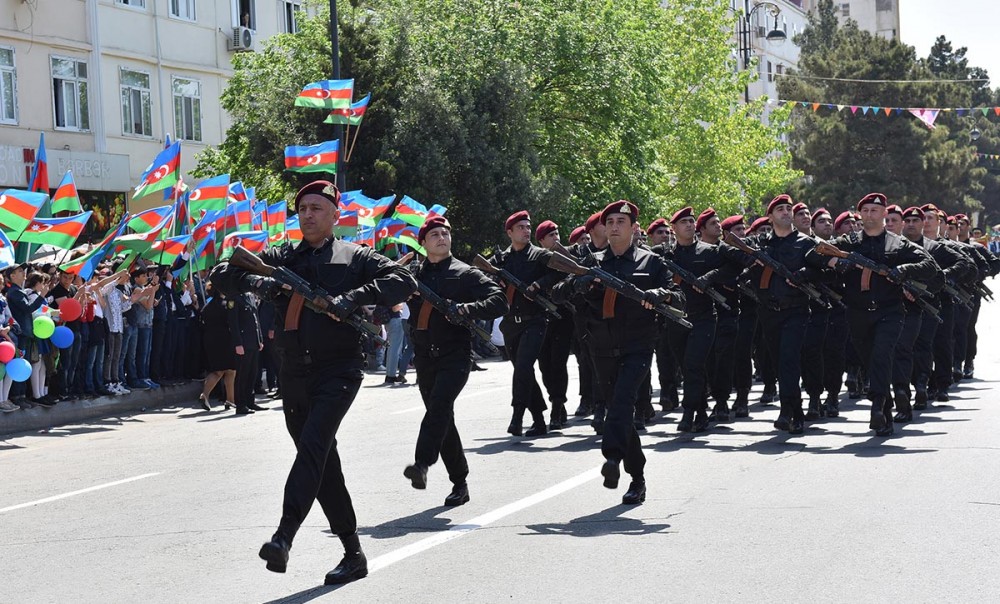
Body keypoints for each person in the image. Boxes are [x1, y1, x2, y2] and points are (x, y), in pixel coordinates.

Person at [212, 180, 416, 585]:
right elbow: (222, 271)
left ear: (335, 215)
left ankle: (283, 537)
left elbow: (403, 281)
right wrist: (256, 282)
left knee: (312, 448)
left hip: (338, 370)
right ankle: (353, 552)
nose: (308, 214)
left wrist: (354, 297)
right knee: (323, 464)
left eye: (317, 208)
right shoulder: (281, 256)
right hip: (293, 373)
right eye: (303, 208)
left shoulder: (354, 256)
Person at [557, 200, 683, 505]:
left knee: (623, 402)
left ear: (634, 228)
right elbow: (558, 293)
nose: (614, 226)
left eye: (621, 222)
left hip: (638, 345)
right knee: (619, 411)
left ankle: (612, 458)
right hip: (600, 346)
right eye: (609, 221)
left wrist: (661, 294)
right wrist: (580, 283)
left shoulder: (650, 263)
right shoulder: (592, 263)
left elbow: (679, 298)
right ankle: (637, 477)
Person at [402, 216, 507, 505]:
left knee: (438, 408)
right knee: (443, 419)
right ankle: (460, 482)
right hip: (424, 357)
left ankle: (421, 464)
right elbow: (387, 294)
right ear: (423, 242)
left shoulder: (465, 273)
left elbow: (499, 300)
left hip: (454, 355)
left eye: (445, 233)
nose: (441, 238)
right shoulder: (413, 275)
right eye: (434, 234)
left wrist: (467, 309)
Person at [827, 193, 937, 436]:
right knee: (870, 360)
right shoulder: (850, 242)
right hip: (857, 313)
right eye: (865, 210)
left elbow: (930, 266)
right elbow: (814, 254)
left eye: (874, 210)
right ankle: (885, 406)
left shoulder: (897, 244)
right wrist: (836, 262)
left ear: (884, 214)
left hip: (890, 312)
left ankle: (877, 405)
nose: (869, 215)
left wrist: (904, 270)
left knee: (881, 355)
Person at [741, 195, 829, 434]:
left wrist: (803, 273)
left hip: (796, 310)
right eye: (780, 209)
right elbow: (743, 263)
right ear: (770, 216)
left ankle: (789, 410)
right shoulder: (761, 244)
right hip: (768, 311)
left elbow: (821, 271)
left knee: (789, 358)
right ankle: (794, 409)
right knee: (780, 361)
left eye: (789, 208)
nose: (786, 212)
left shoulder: (805, 242)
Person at [489, 210, 562, 437]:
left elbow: (559, 274)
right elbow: (484, 278)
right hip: (511, 323)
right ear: (509, 232)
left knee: (523, 367)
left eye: (528, 227)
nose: (526, 231)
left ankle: (517, 415)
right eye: (521, 227)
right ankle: (539, 419)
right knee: (524, 372)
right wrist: (496, 281)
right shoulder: (502, 259)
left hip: (535, 321)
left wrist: (539, 284)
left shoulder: (540, 255)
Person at [534, 219, 574, 428]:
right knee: (545, 366)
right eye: (551, 236)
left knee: (558, 363)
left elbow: (568, 273)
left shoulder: (566, 257)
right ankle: (555, 399)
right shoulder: (536, 259)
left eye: (557, 233)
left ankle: (558, 405)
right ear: (541, 241)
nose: (556, 238)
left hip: (563, 317)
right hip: (541, 319)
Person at [199, 286, 237, 411]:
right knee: (222, 370)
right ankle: (205, 394)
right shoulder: (227, 304)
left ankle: (230, 399)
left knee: (226, 370)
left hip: (210, 340)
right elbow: (232, 319)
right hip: (225, 339)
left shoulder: (207, 306)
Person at [228, 292, 265, 415]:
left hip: (253, 341)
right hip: (243, 342)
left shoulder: (249, 296)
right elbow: (233, 323)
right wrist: (238, 343)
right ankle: (241, 404)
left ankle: (250, 401)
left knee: (252, 373)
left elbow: (256, 319)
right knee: (242, 375)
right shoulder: (233, 297)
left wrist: (259, 338)